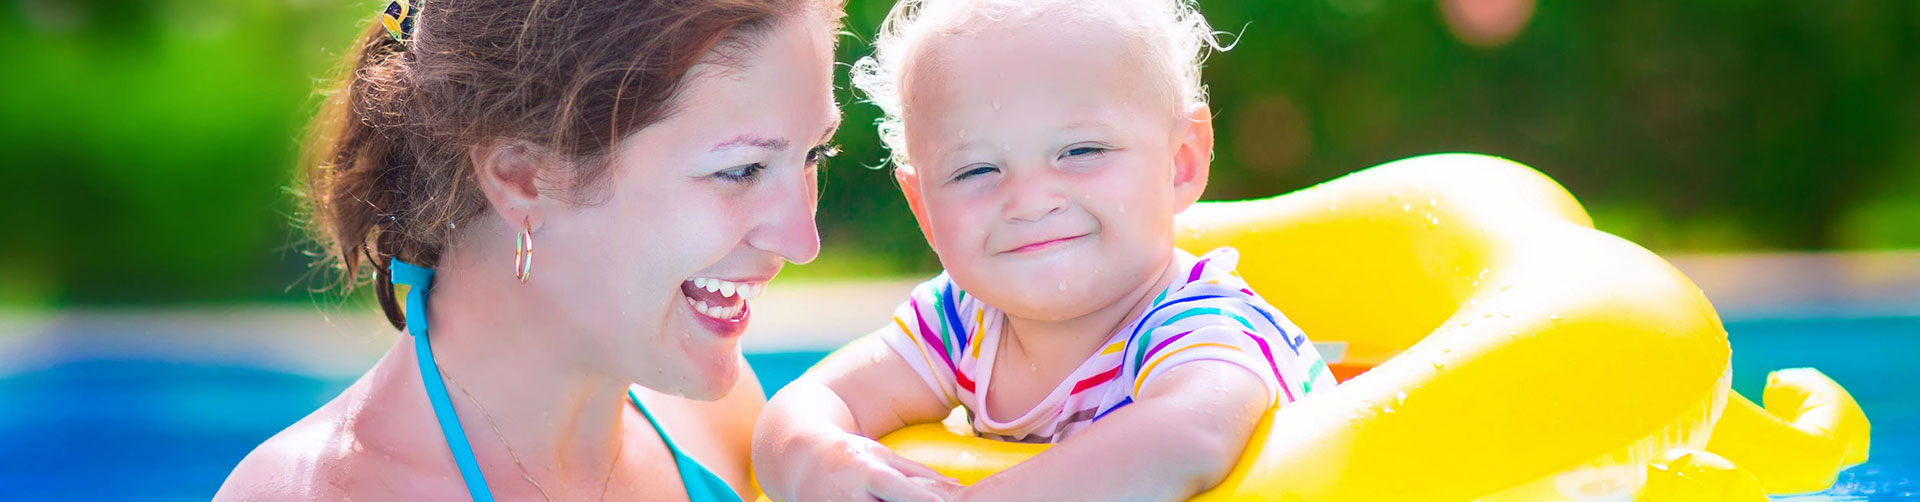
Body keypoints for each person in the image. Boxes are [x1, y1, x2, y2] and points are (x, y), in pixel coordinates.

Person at [216, 0, 844, 500]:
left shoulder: (724, 426)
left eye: (814, 154)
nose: (803, 240)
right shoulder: (314, 493)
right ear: (524, 175)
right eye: (741, 169)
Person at [752, 0, 1338, 500]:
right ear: (924, 209)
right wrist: (817, 459)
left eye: (1081, 151)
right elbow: (811, 401)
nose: (1030, 201)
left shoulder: (1203, 326)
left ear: (1181, 161)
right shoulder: (961, 323)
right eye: (977, 169)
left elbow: (1187, 436)